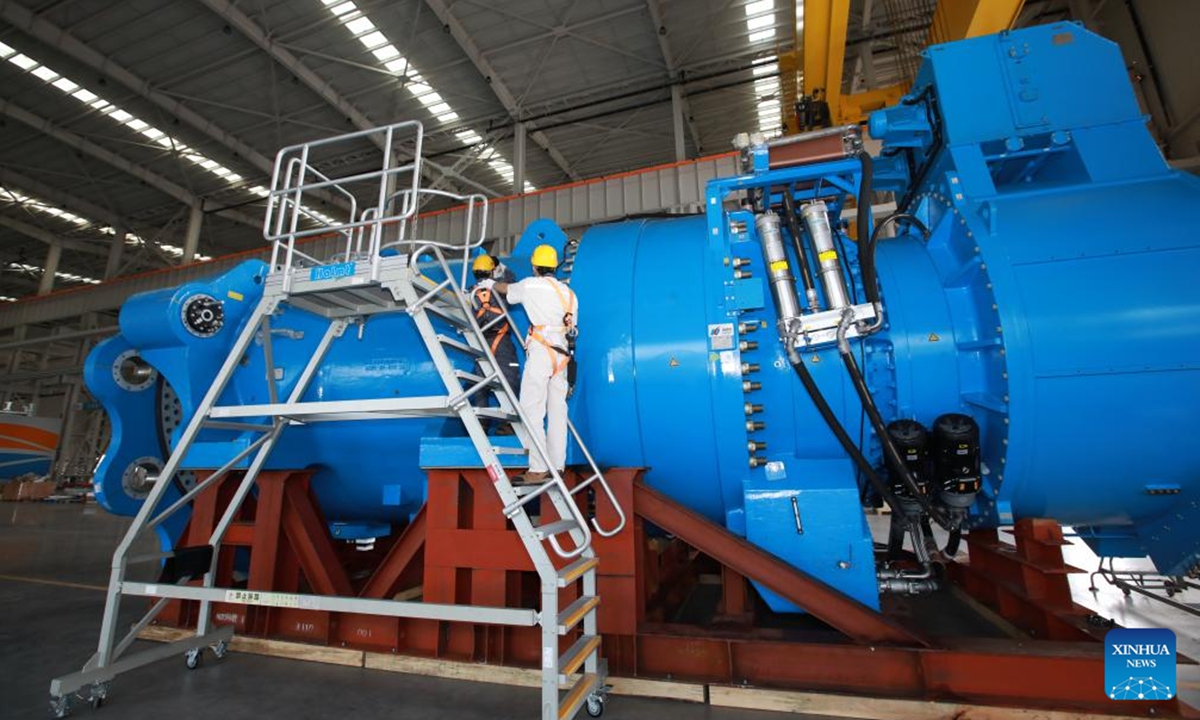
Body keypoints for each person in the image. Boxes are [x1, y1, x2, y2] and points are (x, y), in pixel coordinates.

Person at [493, 244, 577, 483]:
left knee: (531, 408)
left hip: (542, 352)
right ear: (554, 266)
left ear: (534, 265)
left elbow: (506, 289)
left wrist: (490, 284)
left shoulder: (531, 285)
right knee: (558, 411)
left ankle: (538, 467)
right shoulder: (569, 294)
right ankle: (557, 466)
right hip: (563, 355)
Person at [469, 254, 520, 433]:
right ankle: (509, 423)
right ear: (491, 271)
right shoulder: (499, 288)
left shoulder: (471, 292)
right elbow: (511, 279)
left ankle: (482, 423)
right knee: (510, 378)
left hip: (481, 342)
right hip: (501, 340)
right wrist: (500, 265)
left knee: (481, 381)